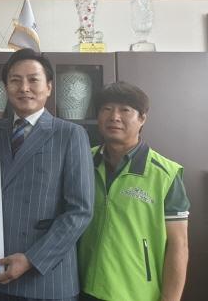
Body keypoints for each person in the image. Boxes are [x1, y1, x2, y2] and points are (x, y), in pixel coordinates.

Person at [0, 48, 94, 301]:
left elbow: (80, 210)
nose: (24, 88)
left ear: (49, 87)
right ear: (5, 87)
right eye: (15, 80)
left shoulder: (70, 134)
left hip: (47, 278)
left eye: (33, 79)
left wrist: (32, 259)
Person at [78, 82, 190, 301]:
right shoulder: (82, 161)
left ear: (142, 118)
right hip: (82, 288)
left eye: (125, 110)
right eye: (106, 109)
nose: (114, 117)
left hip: (137, 293)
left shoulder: (165, 174)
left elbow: (179, 245)